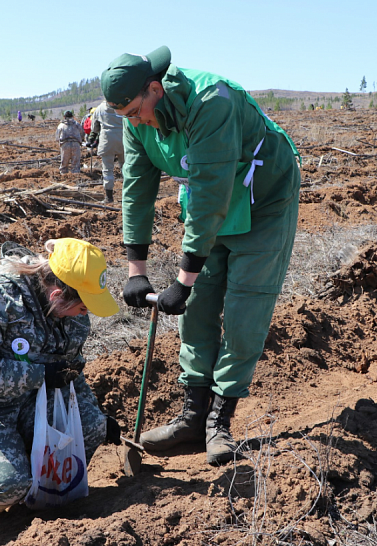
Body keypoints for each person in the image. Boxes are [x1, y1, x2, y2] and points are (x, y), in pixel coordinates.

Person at [101, 46, 300, 466]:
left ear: (155, 89)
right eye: (125, 117)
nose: (133, 122)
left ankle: (219, 420)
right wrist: (136, 269)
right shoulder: (137, 121)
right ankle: (193, 416)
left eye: (136, 111)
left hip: (264, 199)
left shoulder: (212, 102)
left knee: (246, 308)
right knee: (197, 308)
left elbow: (211, 194)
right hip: (212, 199)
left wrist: (182, 279)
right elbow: (137, 189)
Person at [0, 239, 121, 521]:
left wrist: (97, 418)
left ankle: (31, 481)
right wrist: (39, 375)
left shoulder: (72, 315)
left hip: (29, 397)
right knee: (5, 485)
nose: (87, 312)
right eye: (84, 304)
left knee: (90, 429)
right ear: (58, 295)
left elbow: (68, 371)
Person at [89, 101, 125, 204]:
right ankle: (129, 195)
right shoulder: (123, 105)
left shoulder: (100, 108)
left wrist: (92, 138)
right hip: (124, 139)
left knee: (107, 170)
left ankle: (109, 198)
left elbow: (94, 128)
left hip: (107, 141)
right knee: (126, 168)